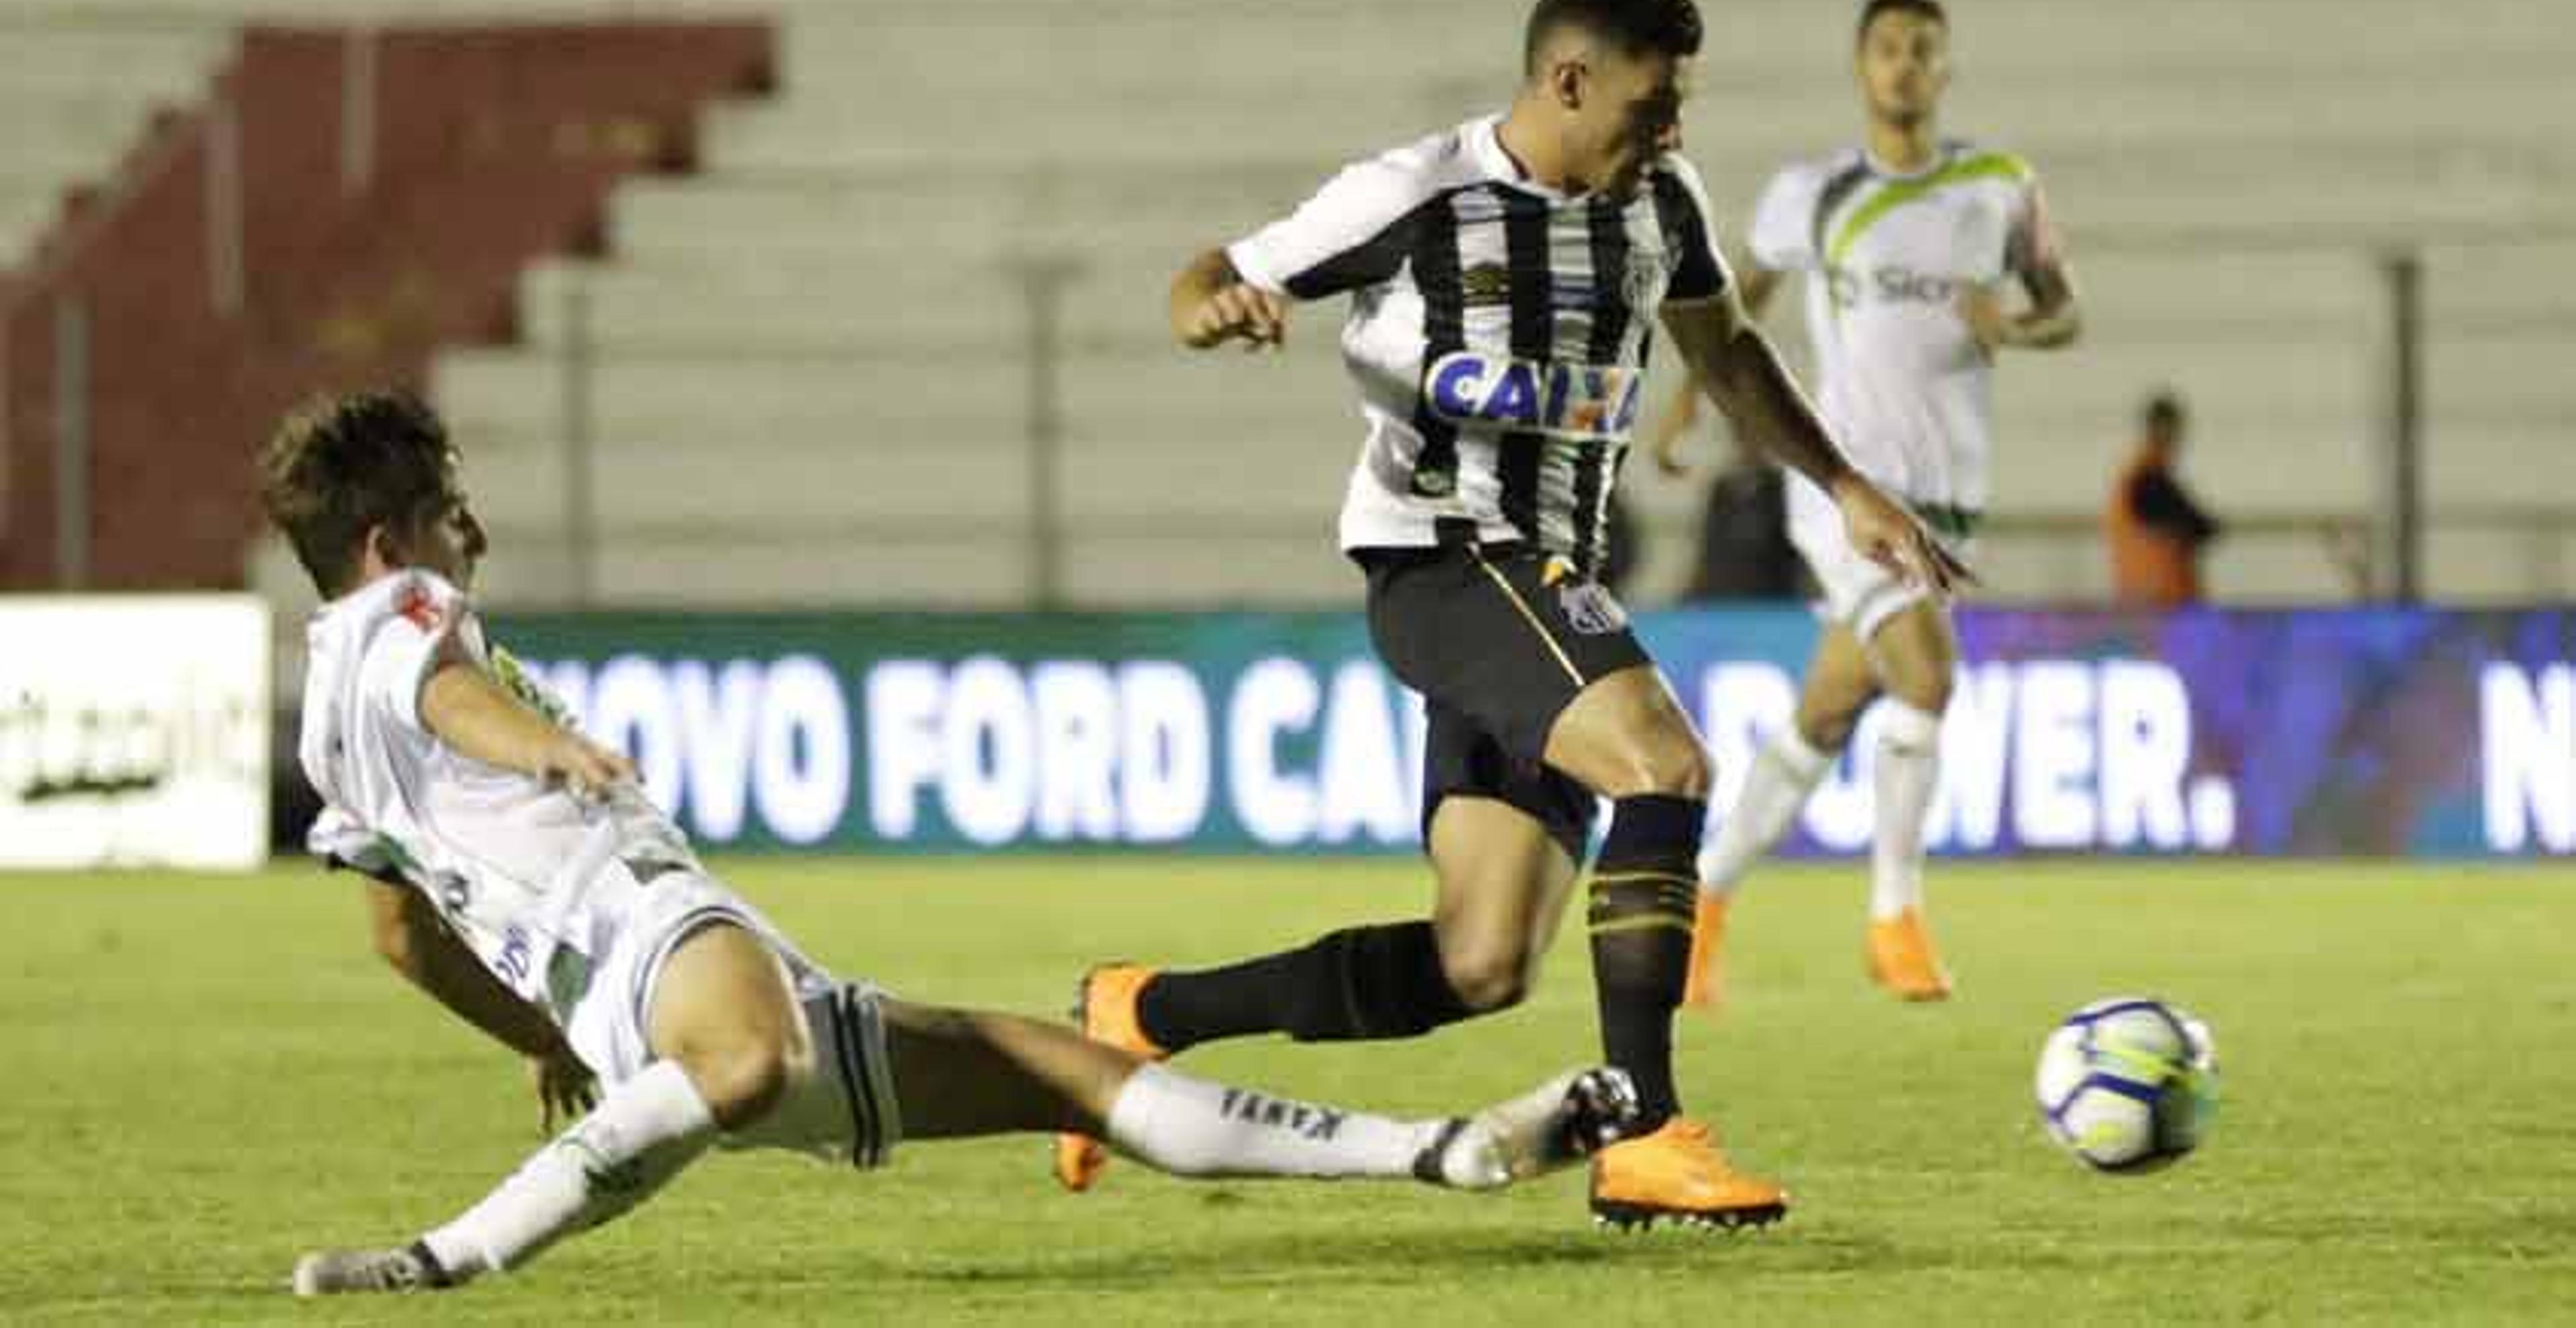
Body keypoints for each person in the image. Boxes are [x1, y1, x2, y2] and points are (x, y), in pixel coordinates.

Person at [259, 392, 1640, 1297]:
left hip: (624, 995)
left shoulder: (331, 730)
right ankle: (444, 1259)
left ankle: (1442, 1148)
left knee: (1078, 1080)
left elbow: (400, 932)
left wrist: (543, 1038)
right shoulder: (411, 617)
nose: (473, 529)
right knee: (742, 1063)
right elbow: (457, 694)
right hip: (647, 928)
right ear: (388, 541)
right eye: (451, 510)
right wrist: (544, 744)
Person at [1052, 0, 1966, 1231]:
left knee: (1477, 964)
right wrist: (1212, 307)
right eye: (1652, 106)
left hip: (1547, 585)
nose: (1672, 131)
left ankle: (1139, 1014)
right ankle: (1643, 1132)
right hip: (1444, 560)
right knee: (1667, 763)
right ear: (1569, 77)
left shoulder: (1666, 198)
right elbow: (1207, 267)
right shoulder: (1416, 192)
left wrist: (1847, 483)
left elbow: (1729, 348)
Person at [1682, 0, 2083, 1009]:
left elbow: (2062, 307)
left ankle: (1698, 911)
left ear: (1945, 69)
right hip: (1842, 483)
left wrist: (2019, 327)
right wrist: (1692, 395)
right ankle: (1893, 916)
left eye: (1922, 50)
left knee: (1825, 710)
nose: (1904, 65)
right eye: (1887, 49)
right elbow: (1738, 304)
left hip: (1951, 496)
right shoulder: (1812, 193)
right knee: (1927, 672)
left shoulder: (2000, 187)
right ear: (1861, 68)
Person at [1652, 400, 1806, 602]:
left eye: (1753, 434)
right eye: (1741, 433)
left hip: (1769, 604)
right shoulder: (1722, 489)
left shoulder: (1781, 489)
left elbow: (1794, 557)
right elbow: (1709, 552)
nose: (1746, 441)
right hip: (1719, 602)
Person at [2107, 392, 2220, 605]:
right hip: (2160, 601)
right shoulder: (2148, 477)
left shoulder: (2140, 475)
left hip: (2146, 599)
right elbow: (2199, 525)